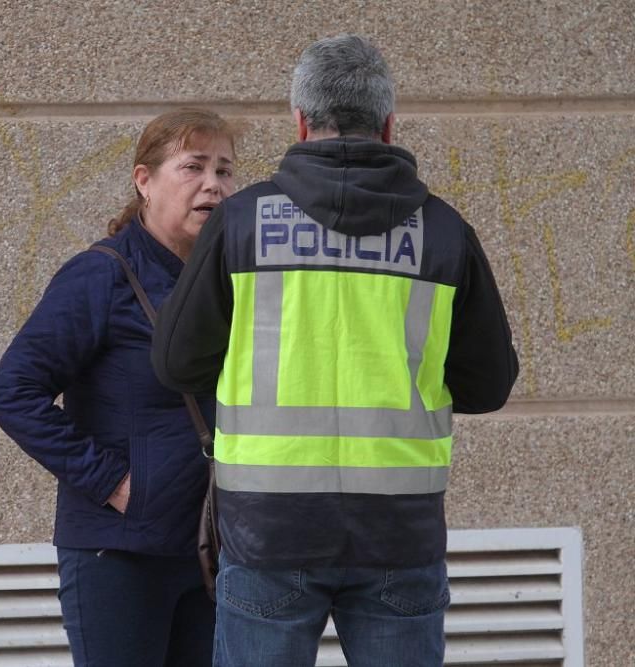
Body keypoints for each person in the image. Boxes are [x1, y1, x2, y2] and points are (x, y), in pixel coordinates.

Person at [151, 35, 518, 667]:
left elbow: (176, 364)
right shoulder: (443, 231)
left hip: (268, 533)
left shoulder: (242, 222)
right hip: (399, 537)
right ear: (389, 123)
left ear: (298, 119)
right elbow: (488, 385)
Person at [0, 109, 237, 667]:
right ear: (143, 181)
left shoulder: (228, 281)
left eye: (224, 170)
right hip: (119, 554)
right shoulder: (101, 276)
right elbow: (14, 392)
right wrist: (113, 481)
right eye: (192, 166)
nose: (212, 185)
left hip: (213, 546)